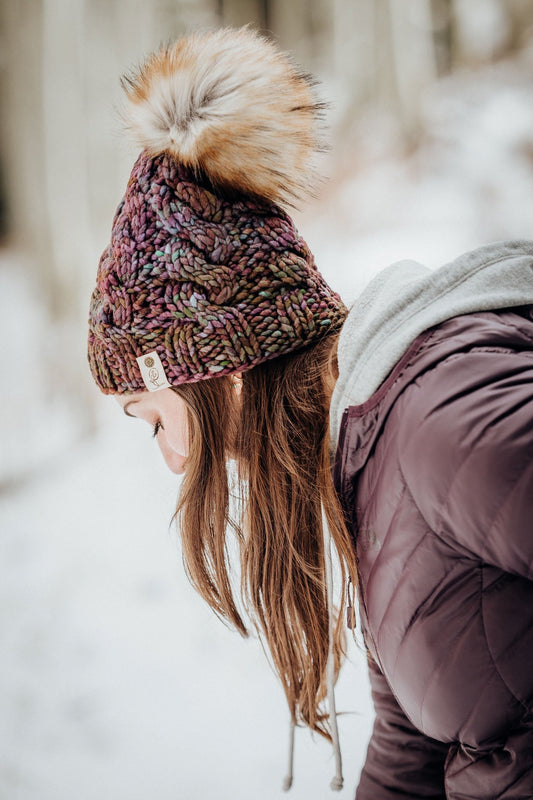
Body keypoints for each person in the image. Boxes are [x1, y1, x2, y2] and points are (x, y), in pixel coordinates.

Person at [87, 26, 533, 798]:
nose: (171, 458)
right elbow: (411, 743)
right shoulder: (366, 454)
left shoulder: (438, 425)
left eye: (153, 419)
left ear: (218, 375)